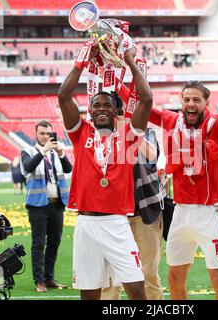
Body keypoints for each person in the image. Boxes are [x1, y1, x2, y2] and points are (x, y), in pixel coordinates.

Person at [116, 64, 218, 300]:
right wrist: (117, 83)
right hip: (180, 213)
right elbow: (142, 105)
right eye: (186, 99)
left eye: (196, 100)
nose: (190, 104)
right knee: (174, 278)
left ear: (206, 103)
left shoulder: (215, 126)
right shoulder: (172, 121)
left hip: (210, 213)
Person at [58, 45, 153, 300]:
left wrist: (130, 61)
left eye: (107, 105)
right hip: (86, 223)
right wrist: (82, 61)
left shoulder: (130, 136)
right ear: (90, 110)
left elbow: (146, 100)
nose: (101, 108)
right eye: (96, 105)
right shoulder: (80, 133)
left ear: (115, 110)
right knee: (90, 294)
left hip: (116, 223)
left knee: (137, 290)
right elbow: (64, 96)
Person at [101, 128, 164, 300]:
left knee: (148, 274)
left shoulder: (146, 132)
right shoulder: (102, 136)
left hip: (144, 213)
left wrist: (128, 128)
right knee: (109, 278)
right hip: (113, 214)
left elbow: (152, 155)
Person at [20, 120, 72, 292]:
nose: (45, 136)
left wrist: (62, 154)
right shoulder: (27, 152)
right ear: (36, 134)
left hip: (56, 204)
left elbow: (68, 169)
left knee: (54, 242)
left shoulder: (55, 153)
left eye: (48, 133)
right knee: (39, 243)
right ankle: (39, 280)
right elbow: (28, 167)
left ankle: (49, 278)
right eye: (42, 133)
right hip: (37, 205)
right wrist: (43, 151)